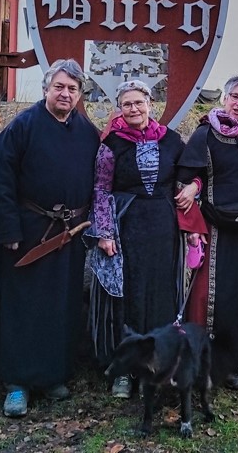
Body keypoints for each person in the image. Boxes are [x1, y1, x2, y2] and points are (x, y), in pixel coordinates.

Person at [0, 59, 100, 418]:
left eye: (72, 89)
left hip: (71, 233)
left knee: (63, 305)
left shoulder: (86, 130)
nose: (65, 94)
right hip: (30, 230)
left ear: (79, 94)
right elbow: (1, 178)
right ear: (46, 89)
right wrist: (9, 229)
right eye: (60, 87)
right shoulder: (23, 126)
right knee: (24, 306)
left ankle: (54, 376)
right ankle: (18, 384)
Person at [85, 80, 185, 398]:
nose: (133, 109)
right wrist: (104, 232)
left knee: (161, 295)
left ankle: (158, 367)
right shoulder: (111, 144)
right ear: (120, 109)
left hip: (163, 228)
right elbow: (101, 189)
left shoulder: (171, 140)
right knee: (128, 298)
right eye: (126, 104)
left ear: (150, 104)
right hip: (127, 226)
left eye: (139, 103)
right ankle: (126, 370)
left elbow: (186, 179)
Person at [175, 73, 238, 391]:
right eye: (235, 96)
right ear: (224, 98)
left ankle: (235, 365)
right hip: (216, 229)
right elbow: (186, 181)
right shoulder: (203, 136)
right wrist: (193, 228)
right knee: (212, 298)